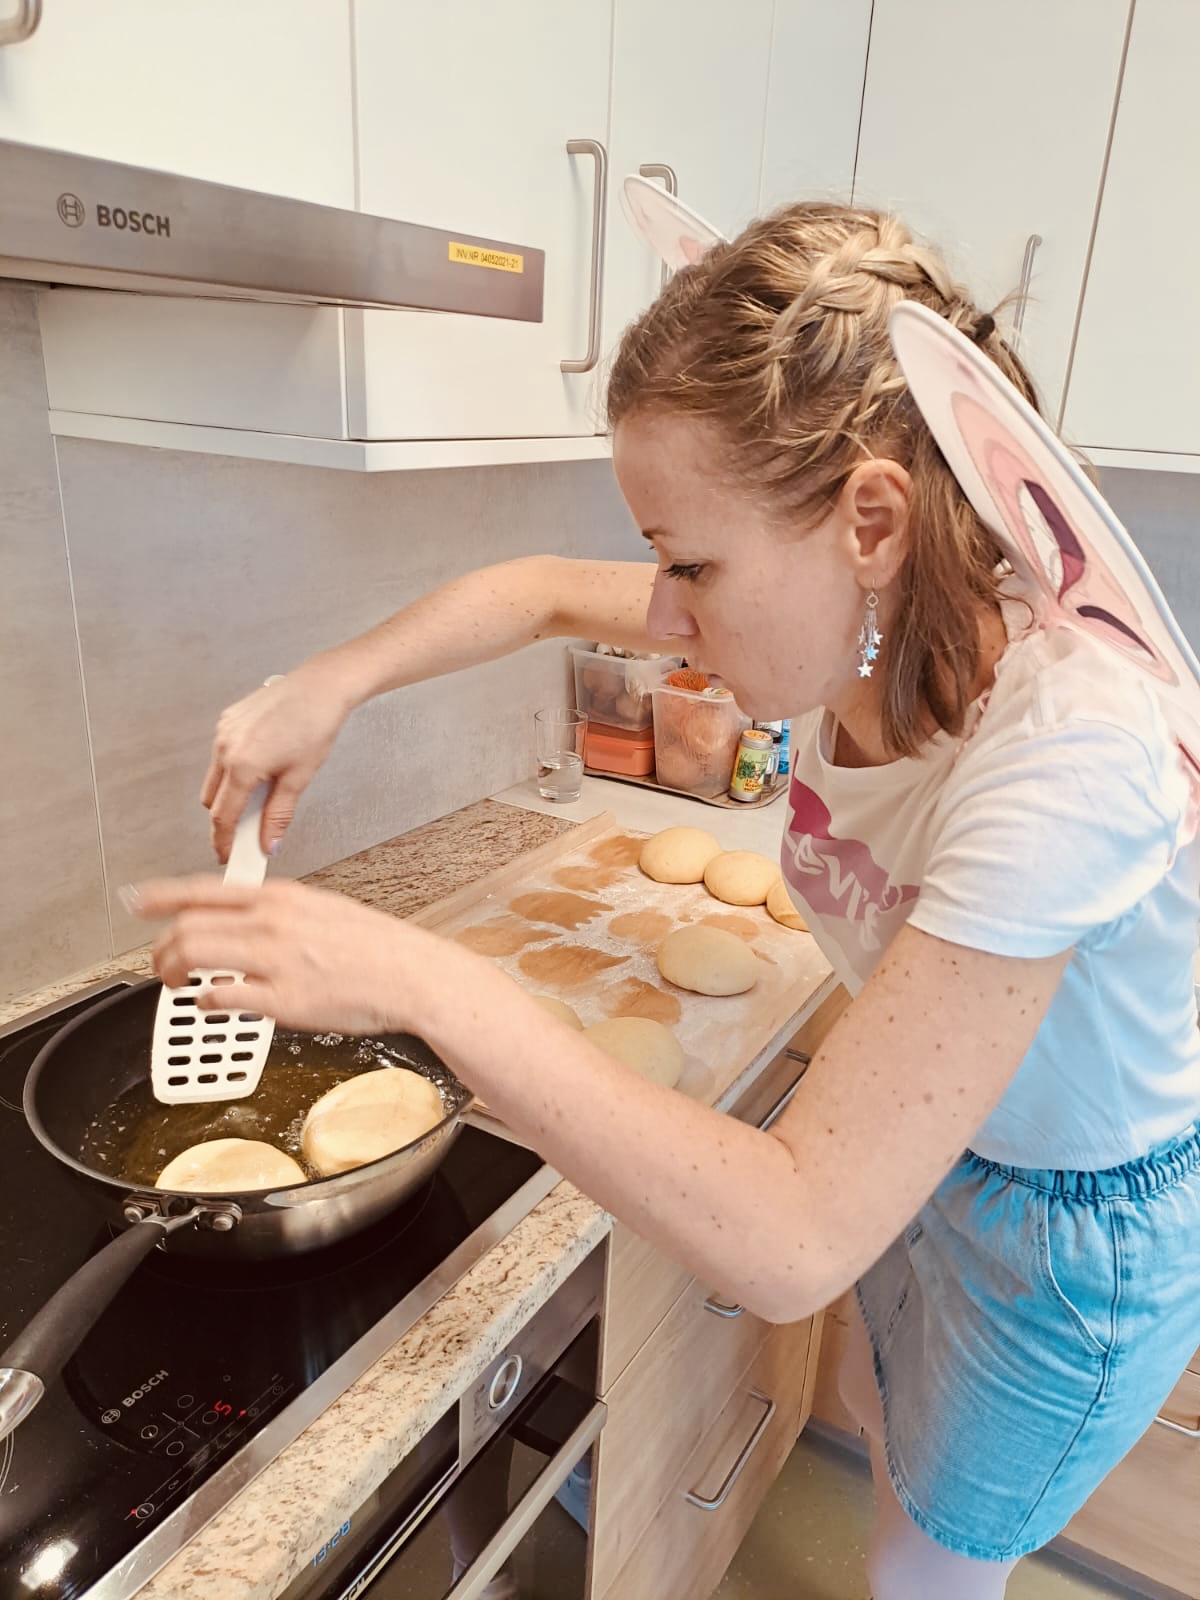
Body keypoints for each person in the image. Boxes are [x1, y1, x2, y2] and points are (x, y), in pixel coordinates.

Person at [129, 203, 1200, 1600]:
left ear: (869, 520)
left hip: (1072, 1233)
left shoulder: (1069, 751)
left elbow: (797, 1234)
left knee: (927, 1568)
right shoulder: (859, 619)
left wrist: (420, 980)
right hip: (943, 1152)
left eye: (692, 566)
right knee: (896, 1461)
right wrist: (328, 681)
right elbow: (528, 591)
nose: (668, 617)